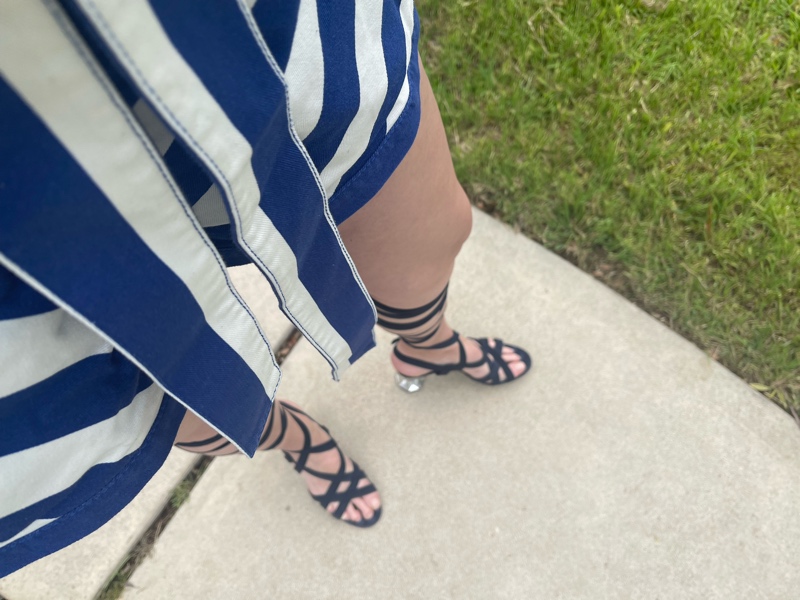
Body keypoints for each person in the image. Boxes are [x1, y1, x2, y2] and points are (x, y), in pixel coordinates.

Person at [0, 0, 530, 576]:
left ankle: (428, 345)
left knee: (429, 234)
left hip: (213, 24)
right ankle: (298, 439)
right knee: (168, 391)